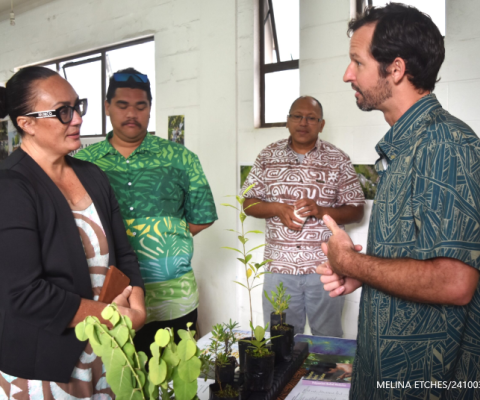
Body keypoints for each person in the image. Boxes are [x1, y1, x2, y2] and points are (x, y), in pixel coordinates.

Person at [317, 4, 480, 399]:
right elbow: (422, 263)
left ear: (396, 69)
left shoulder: (445, 144)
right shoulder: (405, 148)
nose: (347, 74)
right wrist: (365, 274)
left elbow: (455, 282)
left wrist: (349, 261)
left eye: (357, 61)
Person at [0, 66, 145, 398]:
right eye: (63, 111)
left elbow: (124, 253)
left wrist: (137, 309)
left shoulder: (92, 175)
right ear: (27, 123)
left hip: (107, 349)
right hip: (45, 364)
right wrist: (112, 316)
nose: (77, 118)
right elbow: (25, 294)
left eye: (78, 106)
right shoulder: (10, 186)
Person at [76, 68, 218, 353]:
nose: (132, 113)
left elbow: (202, 217)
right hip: (109, 299)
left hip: (174, 300)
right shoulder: (83, 163)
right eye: (122, 105)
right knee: (120, 385)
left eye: (140, 106)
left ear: (150, 109)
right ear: (107, 107)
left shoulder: (180, 158)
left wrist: (165, 236)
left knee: (176, 384)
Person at [241, 96, 365, 337]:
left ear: (322, 124)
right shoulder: (267, 156)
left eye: (311, 118)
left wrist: (321, 210)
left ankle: (325, 375)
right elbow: (248, 203)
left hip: (325, 267)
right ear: (287, 121)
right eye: (297, 116)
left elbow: (357, 210)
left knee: (327, 337)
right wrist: (277, 208)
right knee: (279, 339)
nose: (303, 122)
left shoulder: (338, 159)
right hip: (279, 266)